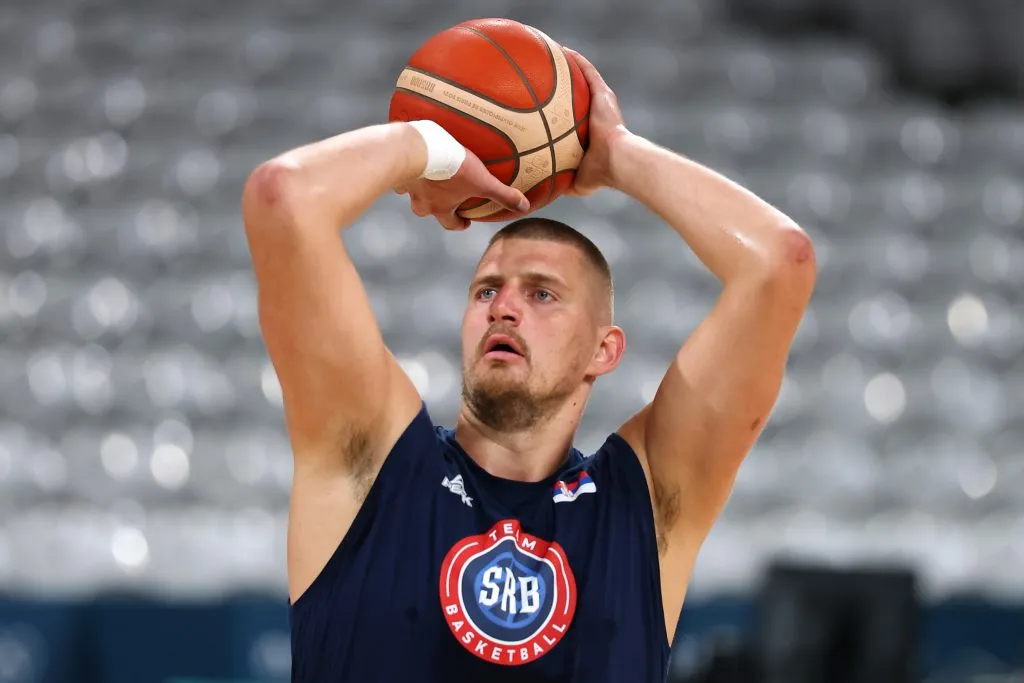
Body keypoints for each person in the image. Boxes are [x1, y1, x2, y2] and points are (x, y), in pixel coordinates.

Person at [241, 48, 816, 683]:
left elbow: (779, 262)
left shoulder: (646, 501)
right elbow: (282, 197)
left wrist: (616, 154)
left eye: (541, 293)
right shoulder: (372, 461)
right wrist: (427, 145)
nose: (503, 308)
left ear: (605, 350)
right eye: (486, 290)